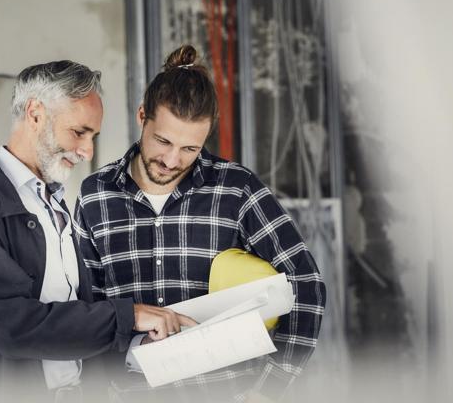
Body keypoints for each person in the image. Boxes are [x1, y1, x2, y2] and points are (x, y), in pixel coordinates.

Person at [0, 60, 194, 402]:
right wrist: (130, 316)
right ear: (35, 114)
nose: (87, 151)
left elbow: (66, 325)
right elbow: (11, 326)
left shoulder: (53, 206)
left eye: (93, 136)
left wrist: (138, 343)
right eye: (79, 132)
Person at [74, 46, 327, 402]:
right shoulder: (95, 196)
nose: (172, 160)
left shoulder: (237, 189)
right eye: (163, 141)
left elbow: (306, 284)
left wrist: (269, 389)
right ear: (142, 115)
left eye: (190, 149)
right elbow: (89, 309)